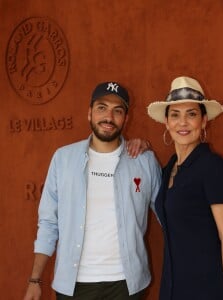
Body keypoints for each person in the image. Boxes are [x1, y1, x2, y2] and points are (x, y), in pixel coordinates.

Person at [23, 81, 161, 300]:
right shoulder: (63, 159)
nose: (109, 117)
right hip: (74, 286)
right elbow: (49, 223)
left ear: (126, 118)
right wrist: (34, 279)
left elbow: (168, 214)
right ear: (89, 113)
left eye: (118, 111)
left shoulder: (144, 161)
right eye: (102, 108)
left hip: (128, 286)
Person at [147, 76, 223, 300]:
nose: (183, 123)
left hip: (205, 287)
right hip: (171, 286)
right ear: (166, 122)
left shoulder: (212, 167)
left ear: (204, 121)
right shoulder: (169, 167)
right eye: (175, 115)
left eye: (191, 114)